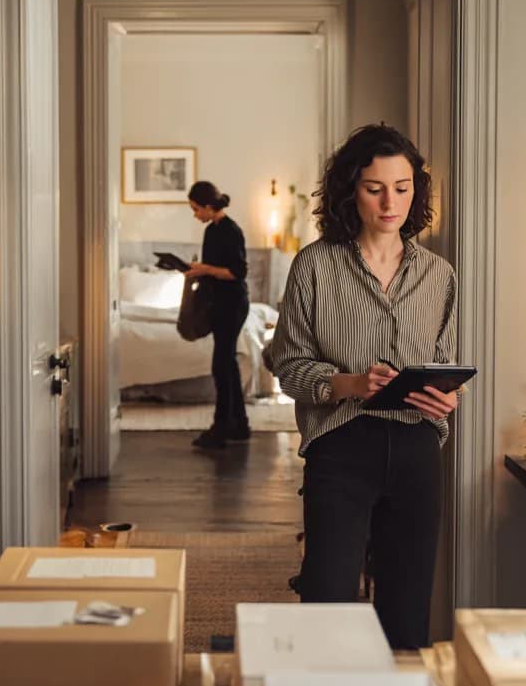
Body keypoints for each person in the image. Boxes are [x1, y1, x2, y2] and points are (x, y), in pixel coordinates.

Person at [268, 124, 460, 649]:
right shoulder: (314, 266)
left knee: (407, 604)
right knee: (326, 599)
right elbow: (287, 367)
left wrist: (448, 395)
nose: (390, 201)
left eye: (402, 187)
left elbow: (443, 363)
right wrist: (351, 382)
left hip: (418, 448)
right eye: (375, 187)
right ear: (351, 190)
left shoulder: (439, 276)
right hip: (342, 446)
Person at [185, 181, 251, 450]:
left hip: (232, 303)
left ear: (209, 207)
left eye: (196, 209)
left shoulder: (230, 231)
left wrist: (204, 269)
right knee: (227, 365)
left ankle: (221, 428)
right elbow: (214, 267)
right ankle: (239, 425)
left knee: (221, 366)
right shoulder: (211, 230)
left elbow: (237, 272)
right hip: (220, 303)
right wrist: (199, 270)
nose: (195, 214)